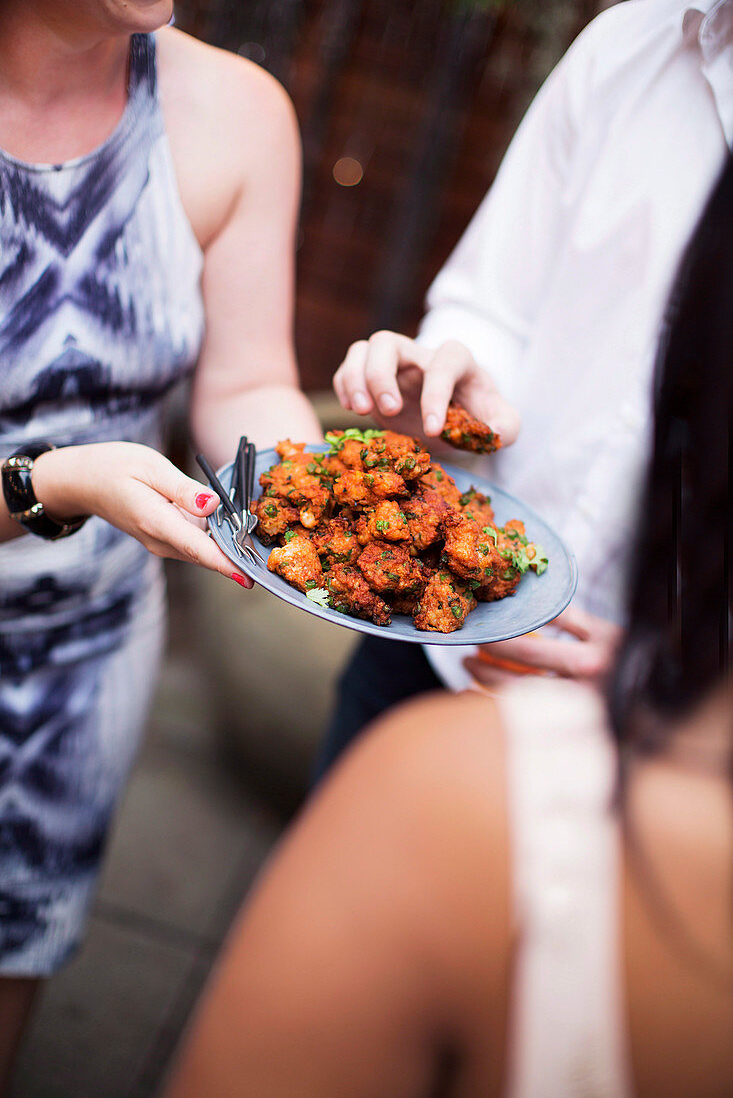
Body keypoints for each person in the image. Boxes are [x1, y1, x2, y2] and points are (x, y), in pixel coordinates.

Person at [163, 153, 732, 1097]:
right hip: (431, 657)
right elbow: (489, 297)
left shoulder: (427, 796)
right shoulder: (630, 42)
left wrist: (678, 663)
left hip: (615, 715)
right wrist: (452, 365)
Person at [0, 0, 321, 1085]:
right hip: (59, 516)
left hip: (82, 649)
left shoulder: (238, 113)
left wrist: (319, 502)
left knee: (15, 942)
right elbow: (62, 478)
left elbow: (244, 380)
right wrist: (53, 482)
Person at [317, 0, 733, 773]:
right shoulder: (628, 47)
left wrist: (700, 689)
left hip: (665, 754)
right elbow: (492, 302)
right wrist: (447, 382)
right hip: (429, 640)